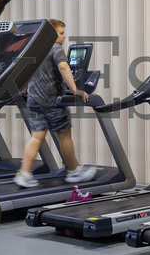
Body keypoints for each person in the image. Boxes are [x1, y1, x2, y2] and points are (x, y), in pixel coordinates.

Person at [15, 20, 93, 189]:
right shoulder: (55, 48)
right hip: (53, 101)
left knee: (36, 137)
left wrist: (24, 90)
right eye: (60, 33)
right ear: (50, 35)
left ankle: (24, 174)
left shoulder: (35, 49)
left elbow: (25, 72)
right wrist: (75, 90)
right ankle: (73, 171)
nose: (64, 36)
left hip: (34, 100)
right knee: (64, 136)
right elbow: (64, 67)